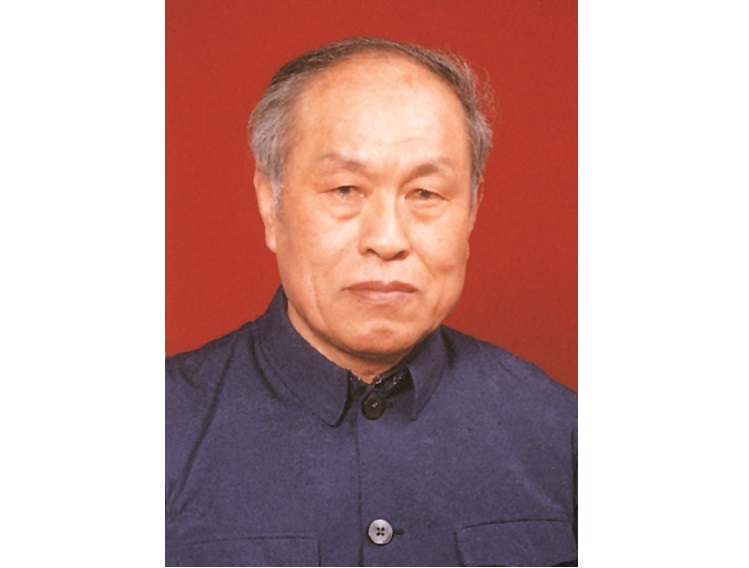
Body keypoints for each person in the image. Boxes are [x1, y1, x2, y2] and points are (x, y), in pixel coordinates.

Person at [166, 37, 577, 567]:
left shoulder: (561, 433)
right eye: (345, 189)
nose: (387, 239)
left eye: (425, 194)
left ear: (472, 210)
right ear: (271, 204)